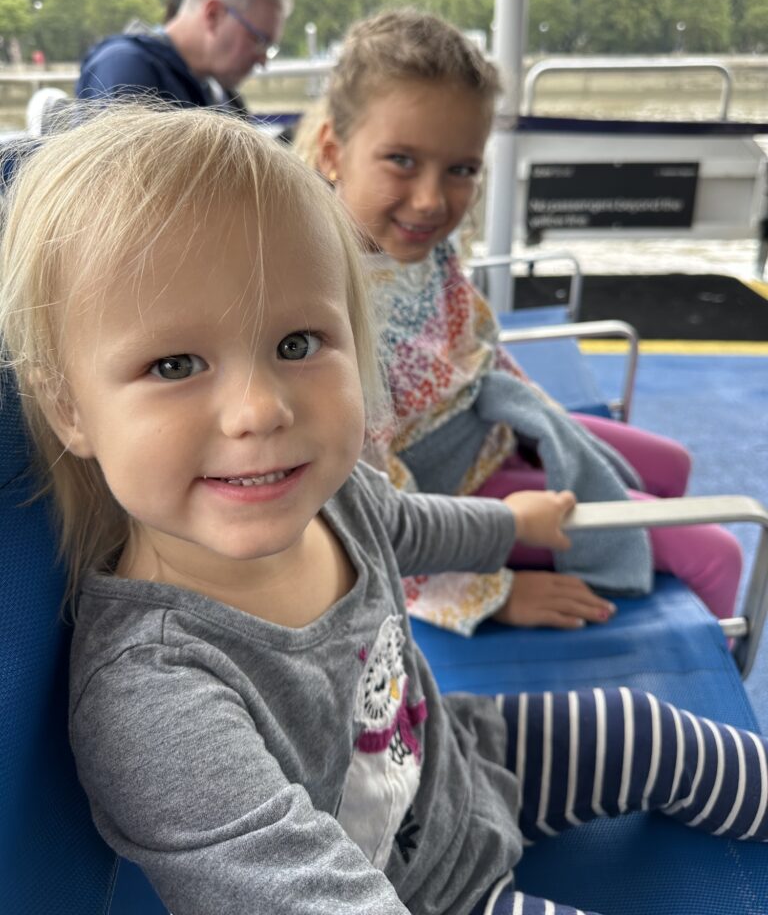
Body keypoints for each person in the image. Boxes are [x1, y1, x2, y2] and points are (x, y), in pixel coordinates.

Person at [1, 103, 766, 915]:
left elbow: (417, 525)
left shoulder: (332, 496)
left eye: (297, 345)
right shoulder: (155, 701)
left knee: (650, 731)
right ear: (70, 409)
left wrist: (517, 525)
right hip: (425, 893)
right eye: (176, 363)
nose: (258, 411)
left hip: (463, 757)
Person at [305, 8, 743, 634]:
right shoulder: (321, 309)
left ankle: (645, 549)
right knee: (717, 554)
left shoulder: (420, 249)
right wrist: (490, 592)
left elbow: (475, 346)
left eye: (461, 169)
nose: (431, 200)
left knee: (670, 464)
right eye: (401, 160)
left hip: (489, 425)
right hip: (450, 498)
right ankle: (705, 679)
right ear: (333, 151)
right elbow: (358, 516)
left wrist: (544, 425)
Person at [77, 0, 290, 111]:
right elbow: (122, 172)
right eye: (259, 40)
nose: (262, 60)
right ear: (213, 15)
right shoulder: (125, 67)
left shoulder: (216, 91)